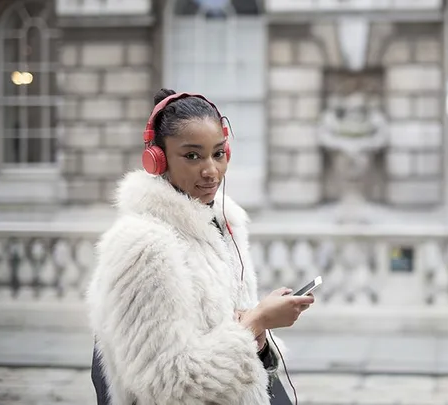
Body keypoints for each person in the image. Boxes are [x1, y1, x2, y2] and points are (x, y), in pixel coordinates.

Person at [86, 88, 314, 405]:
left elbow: (224, 334)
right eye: (192, 156)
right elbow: (170, 383)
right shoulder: (142, 247)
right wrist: (257, 321)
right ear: (157, 160)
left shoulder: (221, 224)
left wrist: (260, 335)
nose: (211, 171)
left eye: (218, 154)